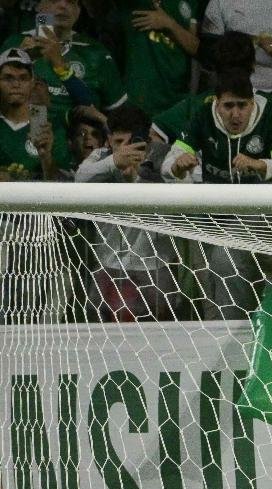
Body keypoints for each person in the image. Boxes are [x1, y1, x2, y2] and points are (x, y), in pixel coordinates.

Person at [162, 70, 272, 320]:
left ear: (252, 103)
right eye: (228, 106)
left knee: (258, 273)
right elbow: (169, 162)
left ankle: (265, 333)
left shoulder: (269, 114)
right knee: (216, 275)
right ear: (216, 103)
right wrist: (177, 165)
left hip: (264, 214)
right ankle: (225, 338)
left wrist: (259, 164)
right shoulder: (203, 116)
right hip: (217, 216)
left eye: (242, 106)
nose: (235, 114)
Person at [75, 105, 178, 322]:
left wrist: (138, 177)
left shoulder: (163, 157)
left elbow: (181, 182)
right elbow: (79, 178)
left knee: (159, 335)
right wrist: (114, 163)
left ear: (145, 139)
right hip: (108, 265)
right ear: (109, 138)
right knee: (102, 333)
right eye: (117, 142)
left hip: (154, 267)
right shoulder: (100, 158)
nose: (123, 150)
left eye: (129, 142)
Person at [2, 0, 127, 125]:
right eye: (54, 0)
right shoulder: (14, 45)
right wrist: (21, 63)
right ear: (40, 6)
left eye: (71, 2)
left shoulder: (96, 52)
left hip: (78, 136)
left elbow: (118, 115)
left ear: (78, 11)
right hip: (29, 134)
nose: (63, 6)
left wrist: (60, 65)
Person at [113, 0, 200, 118]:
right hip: (141, 98)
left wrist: (169, 23)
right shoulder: (134, 4)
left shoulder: (192, 3)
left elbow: (194, 47)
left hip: (176, 97)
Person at [0, 47, 67, 180]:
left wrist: (46, 157)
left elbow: (62, 188)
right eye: (8, 78)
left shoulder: (48, 126)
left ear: (32, 83)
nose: (16, 84)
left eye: (23, 78)